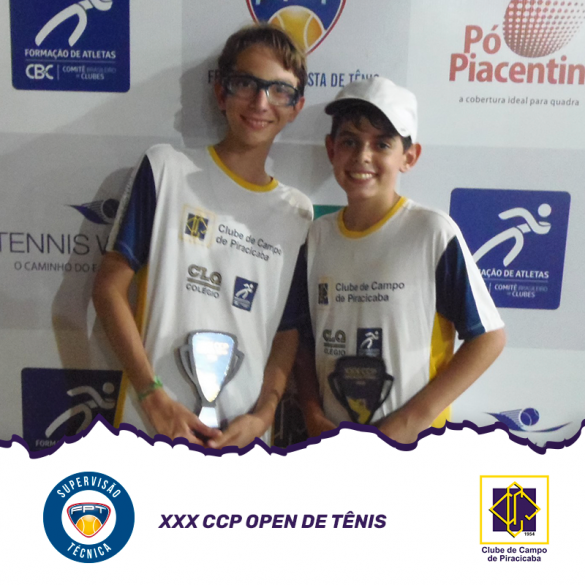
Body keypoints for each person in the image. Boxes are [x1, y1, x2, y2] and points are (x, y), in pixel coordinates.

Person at [93, 24, 312, 449]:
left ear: (296, 107)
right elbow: (108, 289)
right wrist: (152, 396)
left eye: (279, 90)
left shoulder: (298, 213)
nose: (260, 102)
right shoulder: (166, 169)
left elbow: (287, 332)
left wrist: (264, 414)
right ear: (221, 91)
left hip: (241, 441)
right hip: (151, 426)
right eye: (246, 83)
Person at [296, 77, 506, 444]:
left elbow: (489, 337)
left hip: (414, 448)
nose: (363, 156)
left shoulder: (431, 232)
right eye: (349, 141)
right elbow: (303, 341)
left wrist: (410, 421)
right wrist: (312, 413)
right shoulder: (317, 236)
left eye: (382, 144)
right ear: (331, 149)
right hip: (334, 447)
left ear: (409, 157)